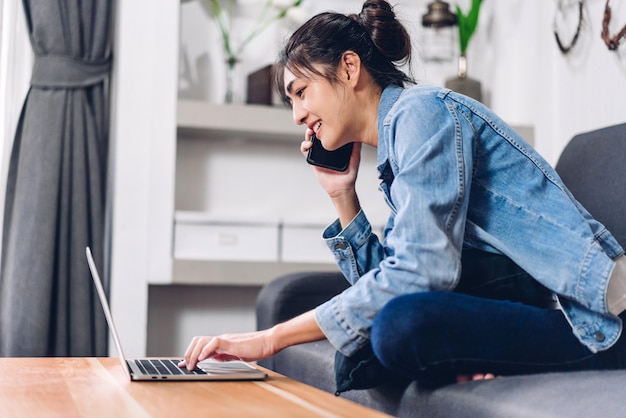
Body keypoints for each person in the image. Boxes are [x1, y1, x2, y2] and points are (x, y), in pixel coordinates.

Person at [180, 0, 626, 387]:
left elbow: (421, 272)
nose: (297, 115)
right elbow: (391, 280)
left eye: (301, 92)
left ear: (349, 68)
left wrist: (269, 338)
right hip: (528, 308)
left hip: (585, 319)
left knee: (398, 328)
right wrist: (341, 194)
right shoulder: (399, 145)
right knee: (391, 327)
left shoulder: (423, 114)